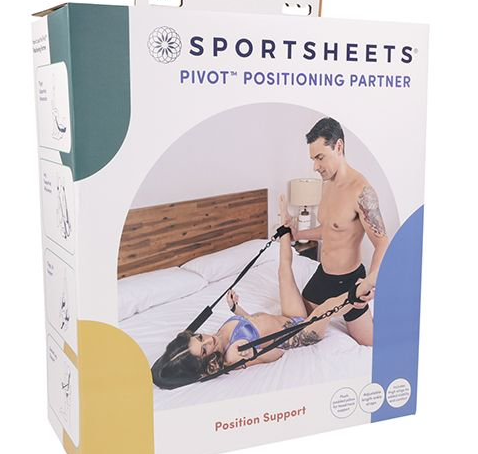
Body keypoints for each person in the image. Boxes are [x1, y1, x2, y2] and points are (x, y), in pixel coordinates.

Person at [151, 198, 347, 390]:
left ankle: (285, 225)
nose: (208, 340)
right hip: (301, 333)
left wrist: (236, 309)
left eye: (200, 338)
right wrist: (254, 353)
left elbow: (251, 324)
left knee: (283, 271)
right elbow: (277, 353)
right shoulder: (232, 357)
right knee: (327, 307)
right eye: (204, 350)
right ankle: (361, 290)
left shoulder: (217, 337)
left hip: (290, 318)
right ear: (205, 365)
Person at [287, 116, 389, 347]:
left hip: (348, 281)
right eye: (313, 159)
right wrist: (298, 235)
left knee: (371, 344)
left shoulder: (362, 192)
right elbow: (330, 228)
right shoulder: (327, 185)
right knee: (298, 323)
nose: (315, 166)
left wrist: (370, 281)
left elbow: (382, 242)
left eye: (320, 157)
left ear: (339, 147)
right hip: (323, 275)